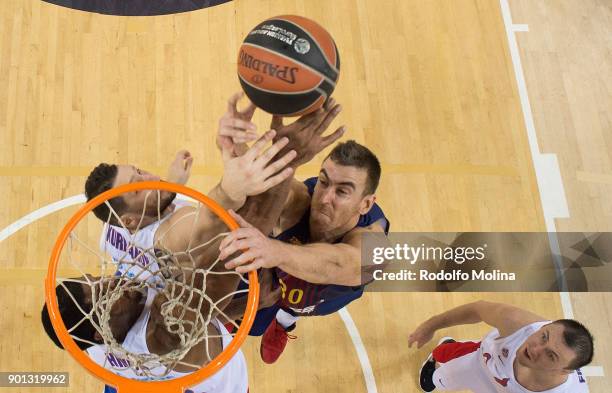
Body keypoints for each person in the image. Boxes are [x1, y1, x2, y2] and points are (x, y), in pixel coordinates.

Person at [41, 93, 345, 391]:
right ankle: (286, 315)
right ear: (100, 331)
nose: (114, 283)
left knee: (296, 278)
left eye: (99, 279)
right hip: (224, 378)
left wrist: (171, 186)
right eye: (105, 295)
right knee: (348, 271)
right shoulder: (162, 333)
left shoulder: (113, 240)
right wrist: (283, 158)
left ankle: (285, 316)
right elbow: (224, 244)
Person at [218, 138, 390, 364]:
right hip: (274, 273)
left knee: (298, 305)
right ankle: (245, 316)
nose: (325, 197)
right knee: (251, 316)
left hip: (321, 288)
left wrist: (276, 251)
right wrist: (236, 142)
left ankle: (284, 321)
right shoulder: (297, 201)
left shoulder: (374, 245)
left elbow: (339, 265)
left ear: (365, 204)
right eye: (323, 182)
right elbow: (264, 176)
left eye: (342, 192)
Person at [407, 300, 593, 393]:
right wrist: (431, 325)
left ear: (565, 371)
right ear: (543, 327)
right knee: (440, 379)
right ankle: (444, 352)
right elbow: (477, 309)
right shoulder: (517, 323)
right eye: (543, 336)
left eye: (551, 355)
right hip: (482, 365)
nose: (535, 349)